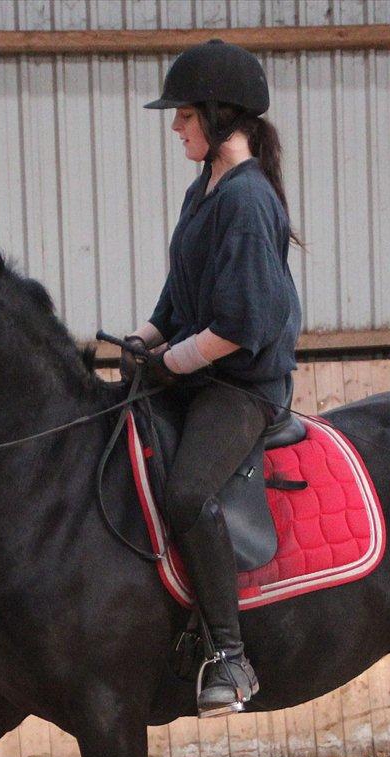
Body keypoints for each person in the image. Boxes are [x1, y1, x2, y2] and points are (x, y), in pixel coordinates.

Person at [125, 39, 302, 717]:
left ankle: (230, 654)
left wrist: (169, 361)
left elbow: (242, 324)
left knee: (187, 490)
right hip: (198, 376)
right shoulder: (205, 190)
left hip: (242, 388)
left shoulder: (249, 200)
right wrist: (141, 338)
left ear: (221, 117)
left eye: (184, 115)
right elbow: (180, 295)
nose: (176, 126)